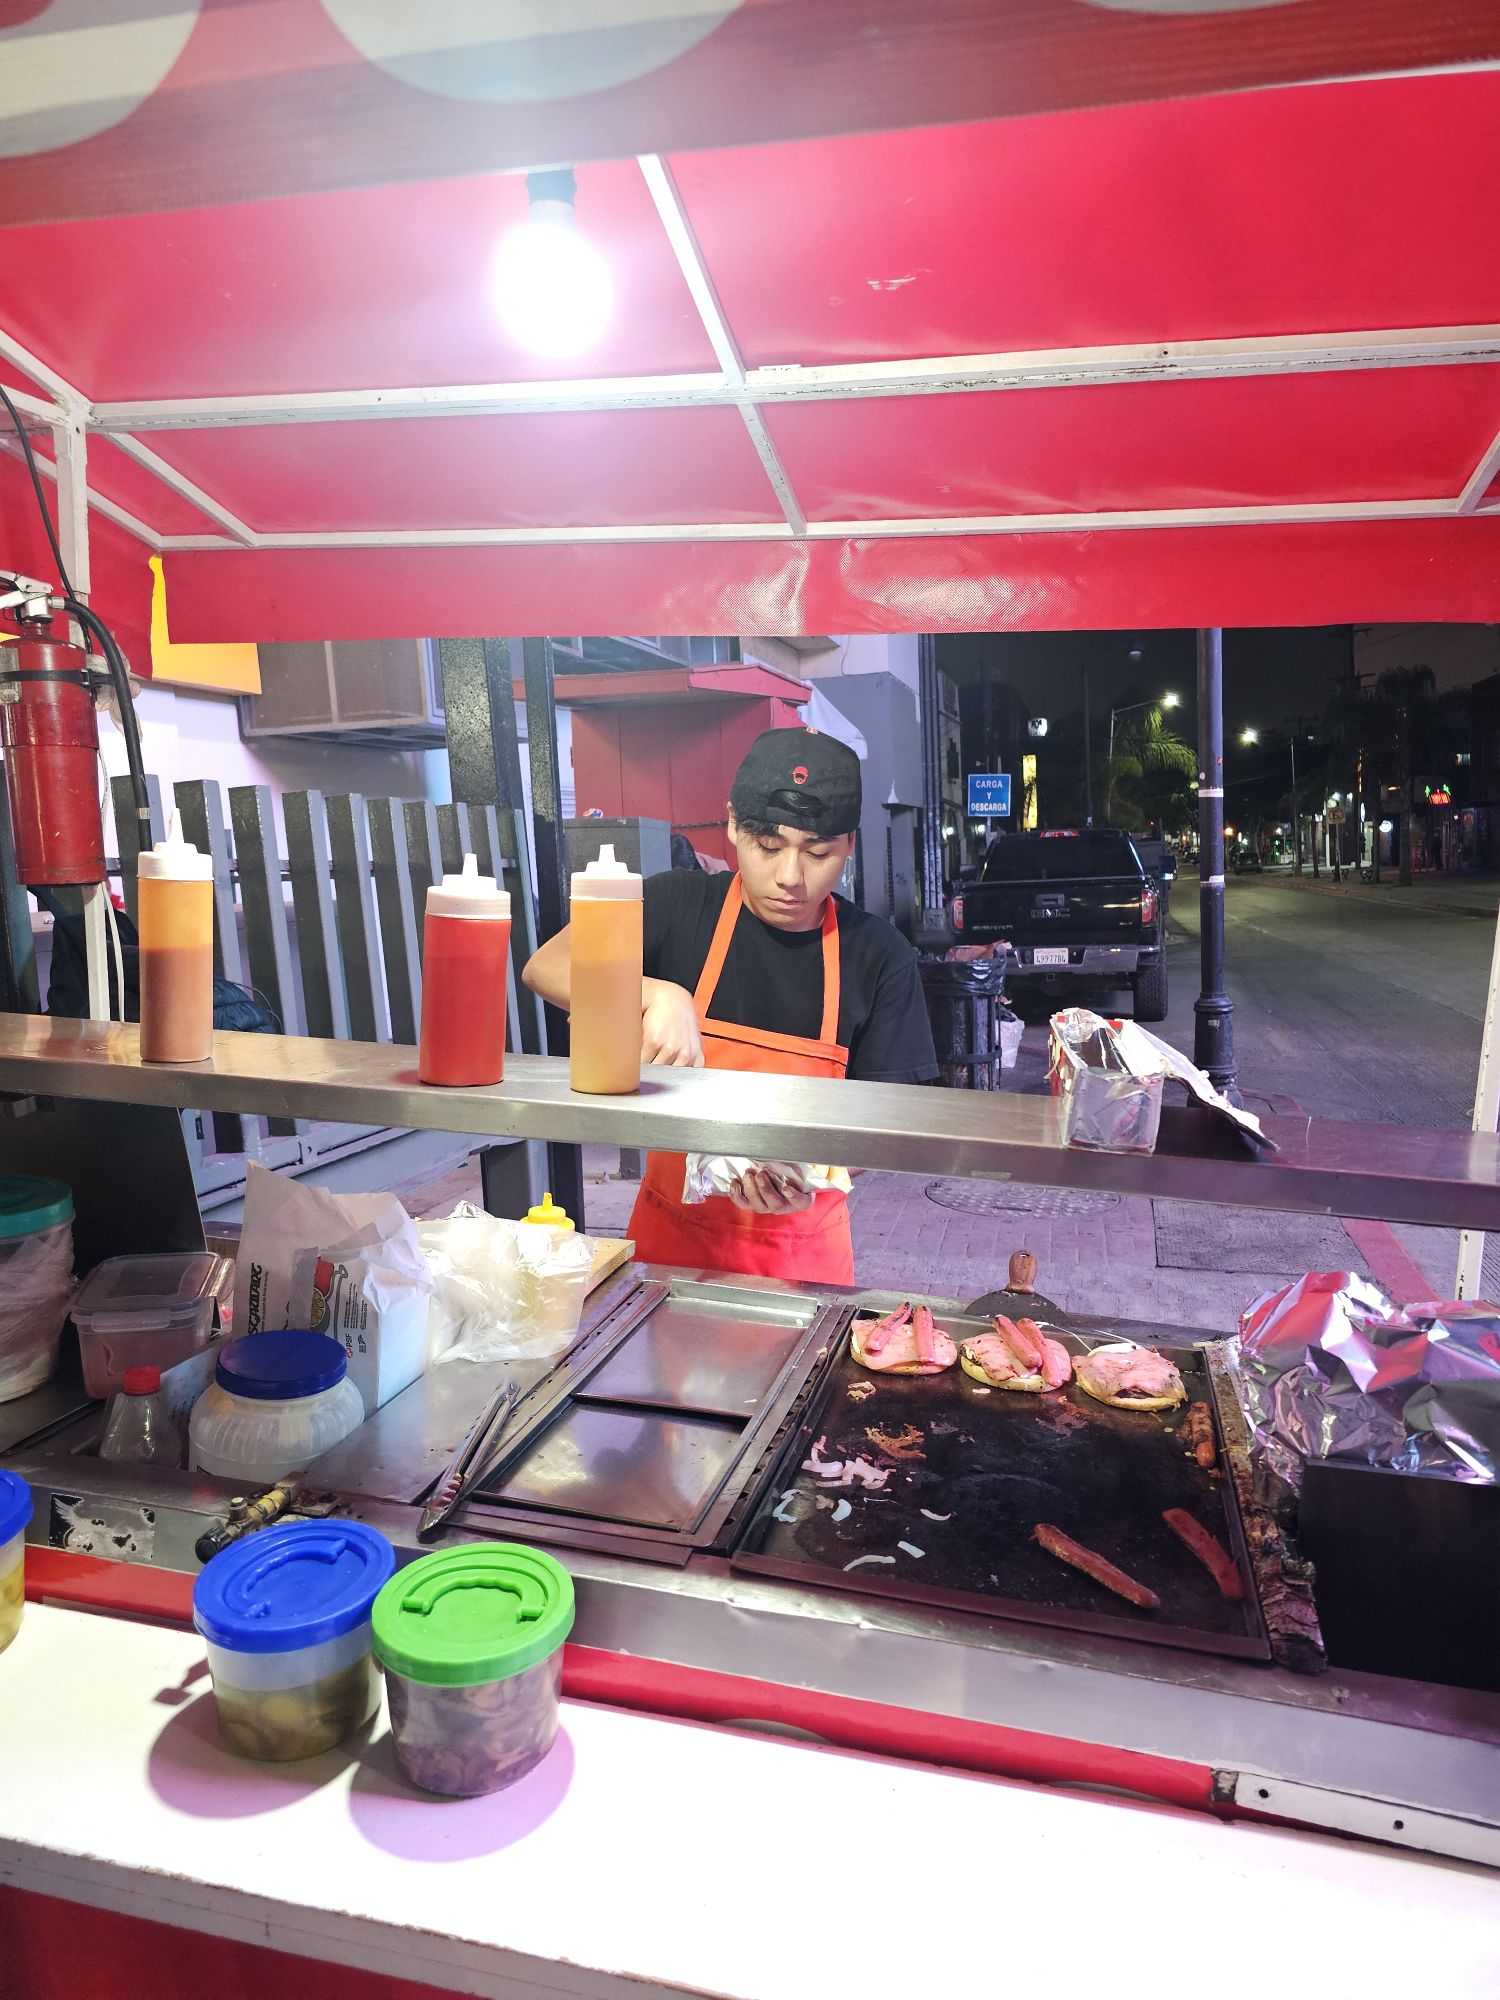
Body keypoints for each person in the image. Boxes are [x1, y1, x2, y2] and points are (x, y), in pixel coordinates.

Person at [523, 726, 937, 1284]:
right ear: (734, 825)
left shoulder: (879, 955)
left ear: (849, 845)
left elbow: (888, 1123)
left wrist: (814, 1169)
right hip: (669, 1257)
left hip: (803, 1265)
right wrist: (654, 993)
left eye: (818, 853)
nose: (789, 877)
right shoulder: (678, 905)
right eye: (768, 847)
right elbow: (544, 967)